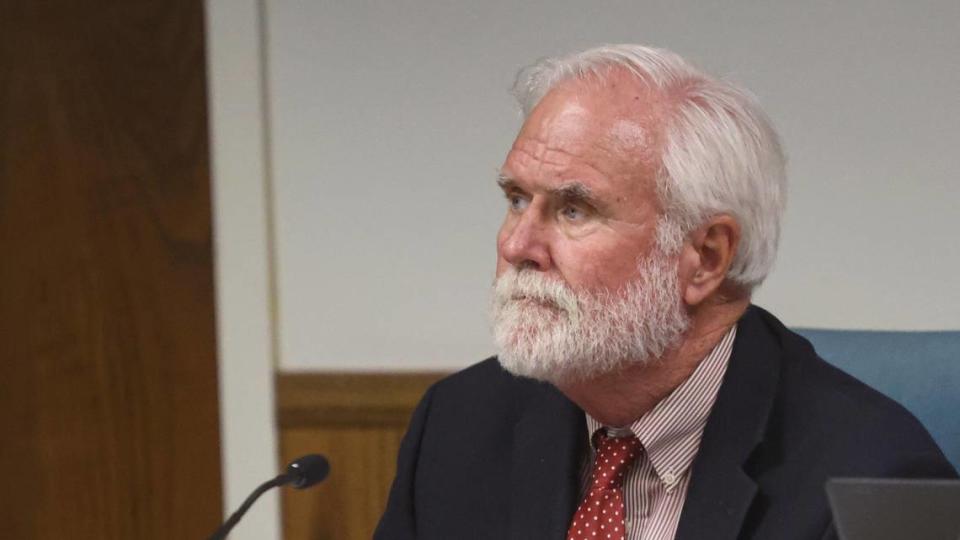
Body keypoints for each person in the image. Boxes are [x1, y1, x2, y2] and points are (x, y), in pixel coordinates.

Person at [374, 44, 956, 540]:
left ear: (705, 258)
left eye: (574, 210)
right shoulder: (458, 426)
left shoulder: (871, 476)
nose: (517, 244)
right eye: (517, 200)